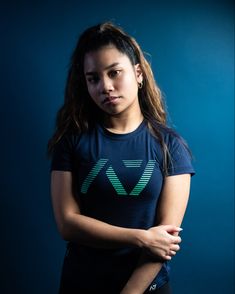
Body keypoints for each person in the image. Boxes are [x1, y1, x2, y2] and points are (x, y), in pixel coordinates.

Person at [48, 21, 195, 294]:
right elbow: (67, 224)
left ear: (138, 73)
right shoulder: (71, 142)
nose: (105, 86)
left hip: (146, 287)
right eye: (93, 78)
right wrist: (140, 237)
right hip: (81, 283)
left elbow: (164, 240)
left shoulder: (170, 147)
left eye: (114, 72)